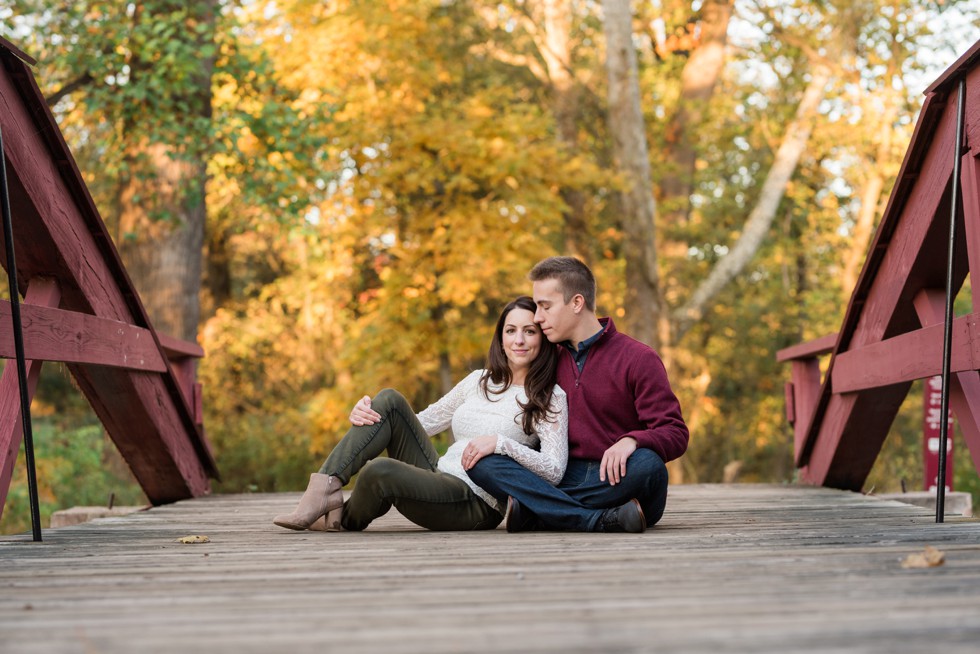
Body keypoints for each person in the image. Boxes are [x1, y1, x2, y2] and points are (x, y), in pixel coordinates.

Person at [273, 296, 569, 532]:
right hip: (439, 473)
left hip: (475, 502)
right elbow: (421, 423)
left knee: (380, 471)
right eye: (511, 330)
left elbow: (555, 469)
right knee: (388, 399)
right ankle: (324, 487)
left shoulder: (549, 396)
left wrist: (501, 444)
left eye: (529, 331)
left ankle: (338, 518)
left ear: (542, 339)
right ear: (501, 337)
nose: (519, 340)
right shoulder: (479, 380)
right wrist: (369, 413)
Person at [468, 256, 689, 533]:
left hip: (617, 478)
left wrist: (632, 440)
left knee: (650, 466)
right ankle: (599, 519)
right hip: (559, 475)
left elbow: (675, 432)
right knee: (483, 461)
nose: (537, 317)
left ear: (576, 303)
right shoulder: (545, 358)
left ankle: (541, 512)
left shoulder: (638, 358)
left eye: (545, 307)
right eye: (537, 307)